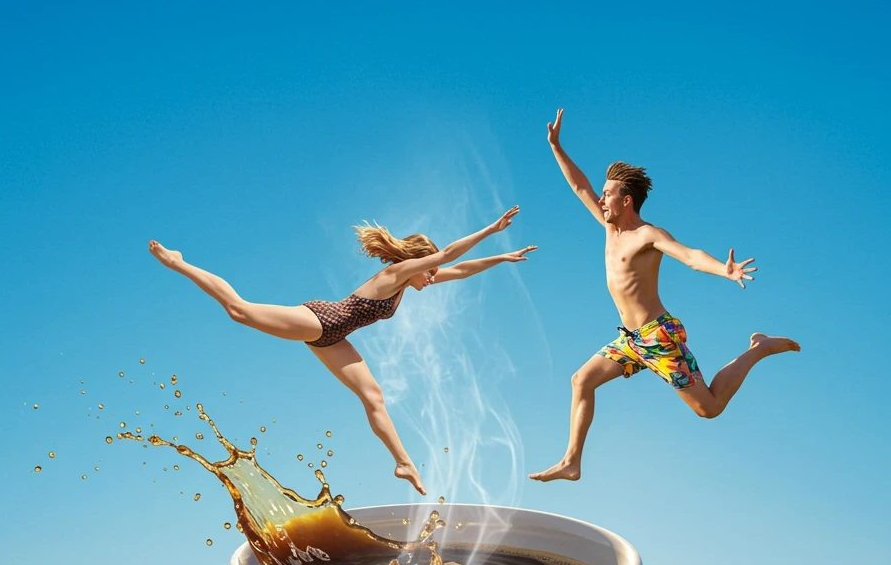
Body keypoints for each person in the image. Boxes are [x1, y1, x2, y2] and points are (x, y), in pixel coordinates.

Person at [149, 208, 534, 495]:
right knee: (240, 311)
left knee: (373, 397)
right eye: (428, 271)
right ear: (416, 262)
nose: (432, 279)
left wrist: (502, 258)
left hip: (334, 338)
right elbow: (449, 255)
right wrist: (492, 230)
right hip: (321, 319)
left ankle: (403, 463)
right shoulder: (396, 274)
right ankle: (178, 263)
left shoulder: (408, 284)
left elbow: (460, 269)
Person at [530, 110, 800, 483]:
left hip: (658, 336)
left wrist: (724, 268)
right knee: (581, 380)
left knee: (709, 409)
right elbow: (579, 187)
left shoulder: (647, 235)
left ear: (627, 201)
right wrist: (556, 147)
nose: (601, 198)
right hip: (630, 341)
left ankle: (759, 347)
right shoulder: (610, 229)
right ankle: (572, 461)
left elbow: (688, 256)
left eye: (608, 194)